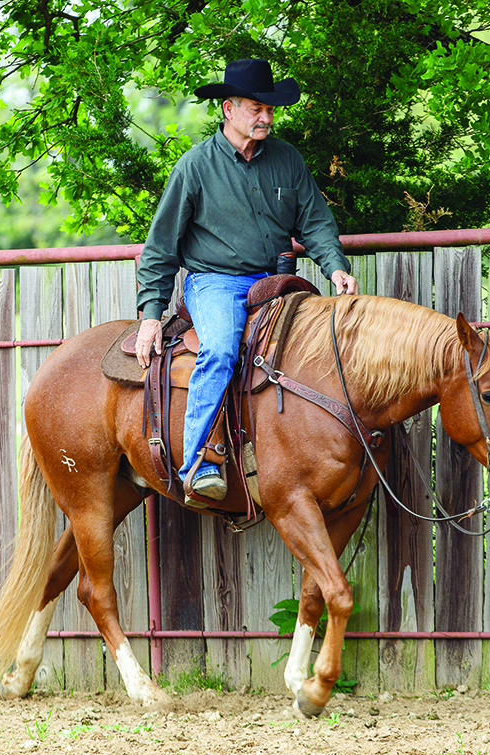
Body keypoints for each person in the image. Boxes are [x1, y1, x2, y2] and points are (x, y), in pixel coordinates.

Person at [135, 58, 358, 502]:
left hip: (276, 282)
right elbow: (161, 246)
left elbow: (314, 222)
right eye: (257, 108)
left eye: (270, 110)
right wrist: (150, 315)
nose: (266, 117)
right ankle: (198, 463)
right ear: (228, 109)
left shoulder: (287, 159)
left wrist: (334, 266)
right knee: (218, 349)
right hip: (213, 282)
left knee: (321, 351)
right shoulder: (195, 167)